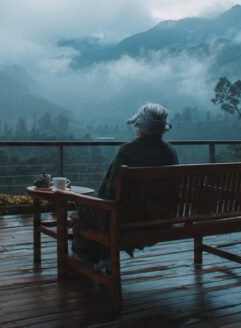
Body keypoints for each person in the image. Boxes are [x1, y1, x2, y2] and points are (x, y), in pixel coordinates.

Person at [71, 102, 178, 267]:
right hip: (160, 221)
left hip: (124, 222)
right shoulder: (170, 153)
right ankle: (97, 258)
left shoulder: (127, 151)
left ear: (139, 126)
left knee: (81, 214)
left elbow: (108, 192)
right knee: (89, 214)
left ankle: (92, 258)